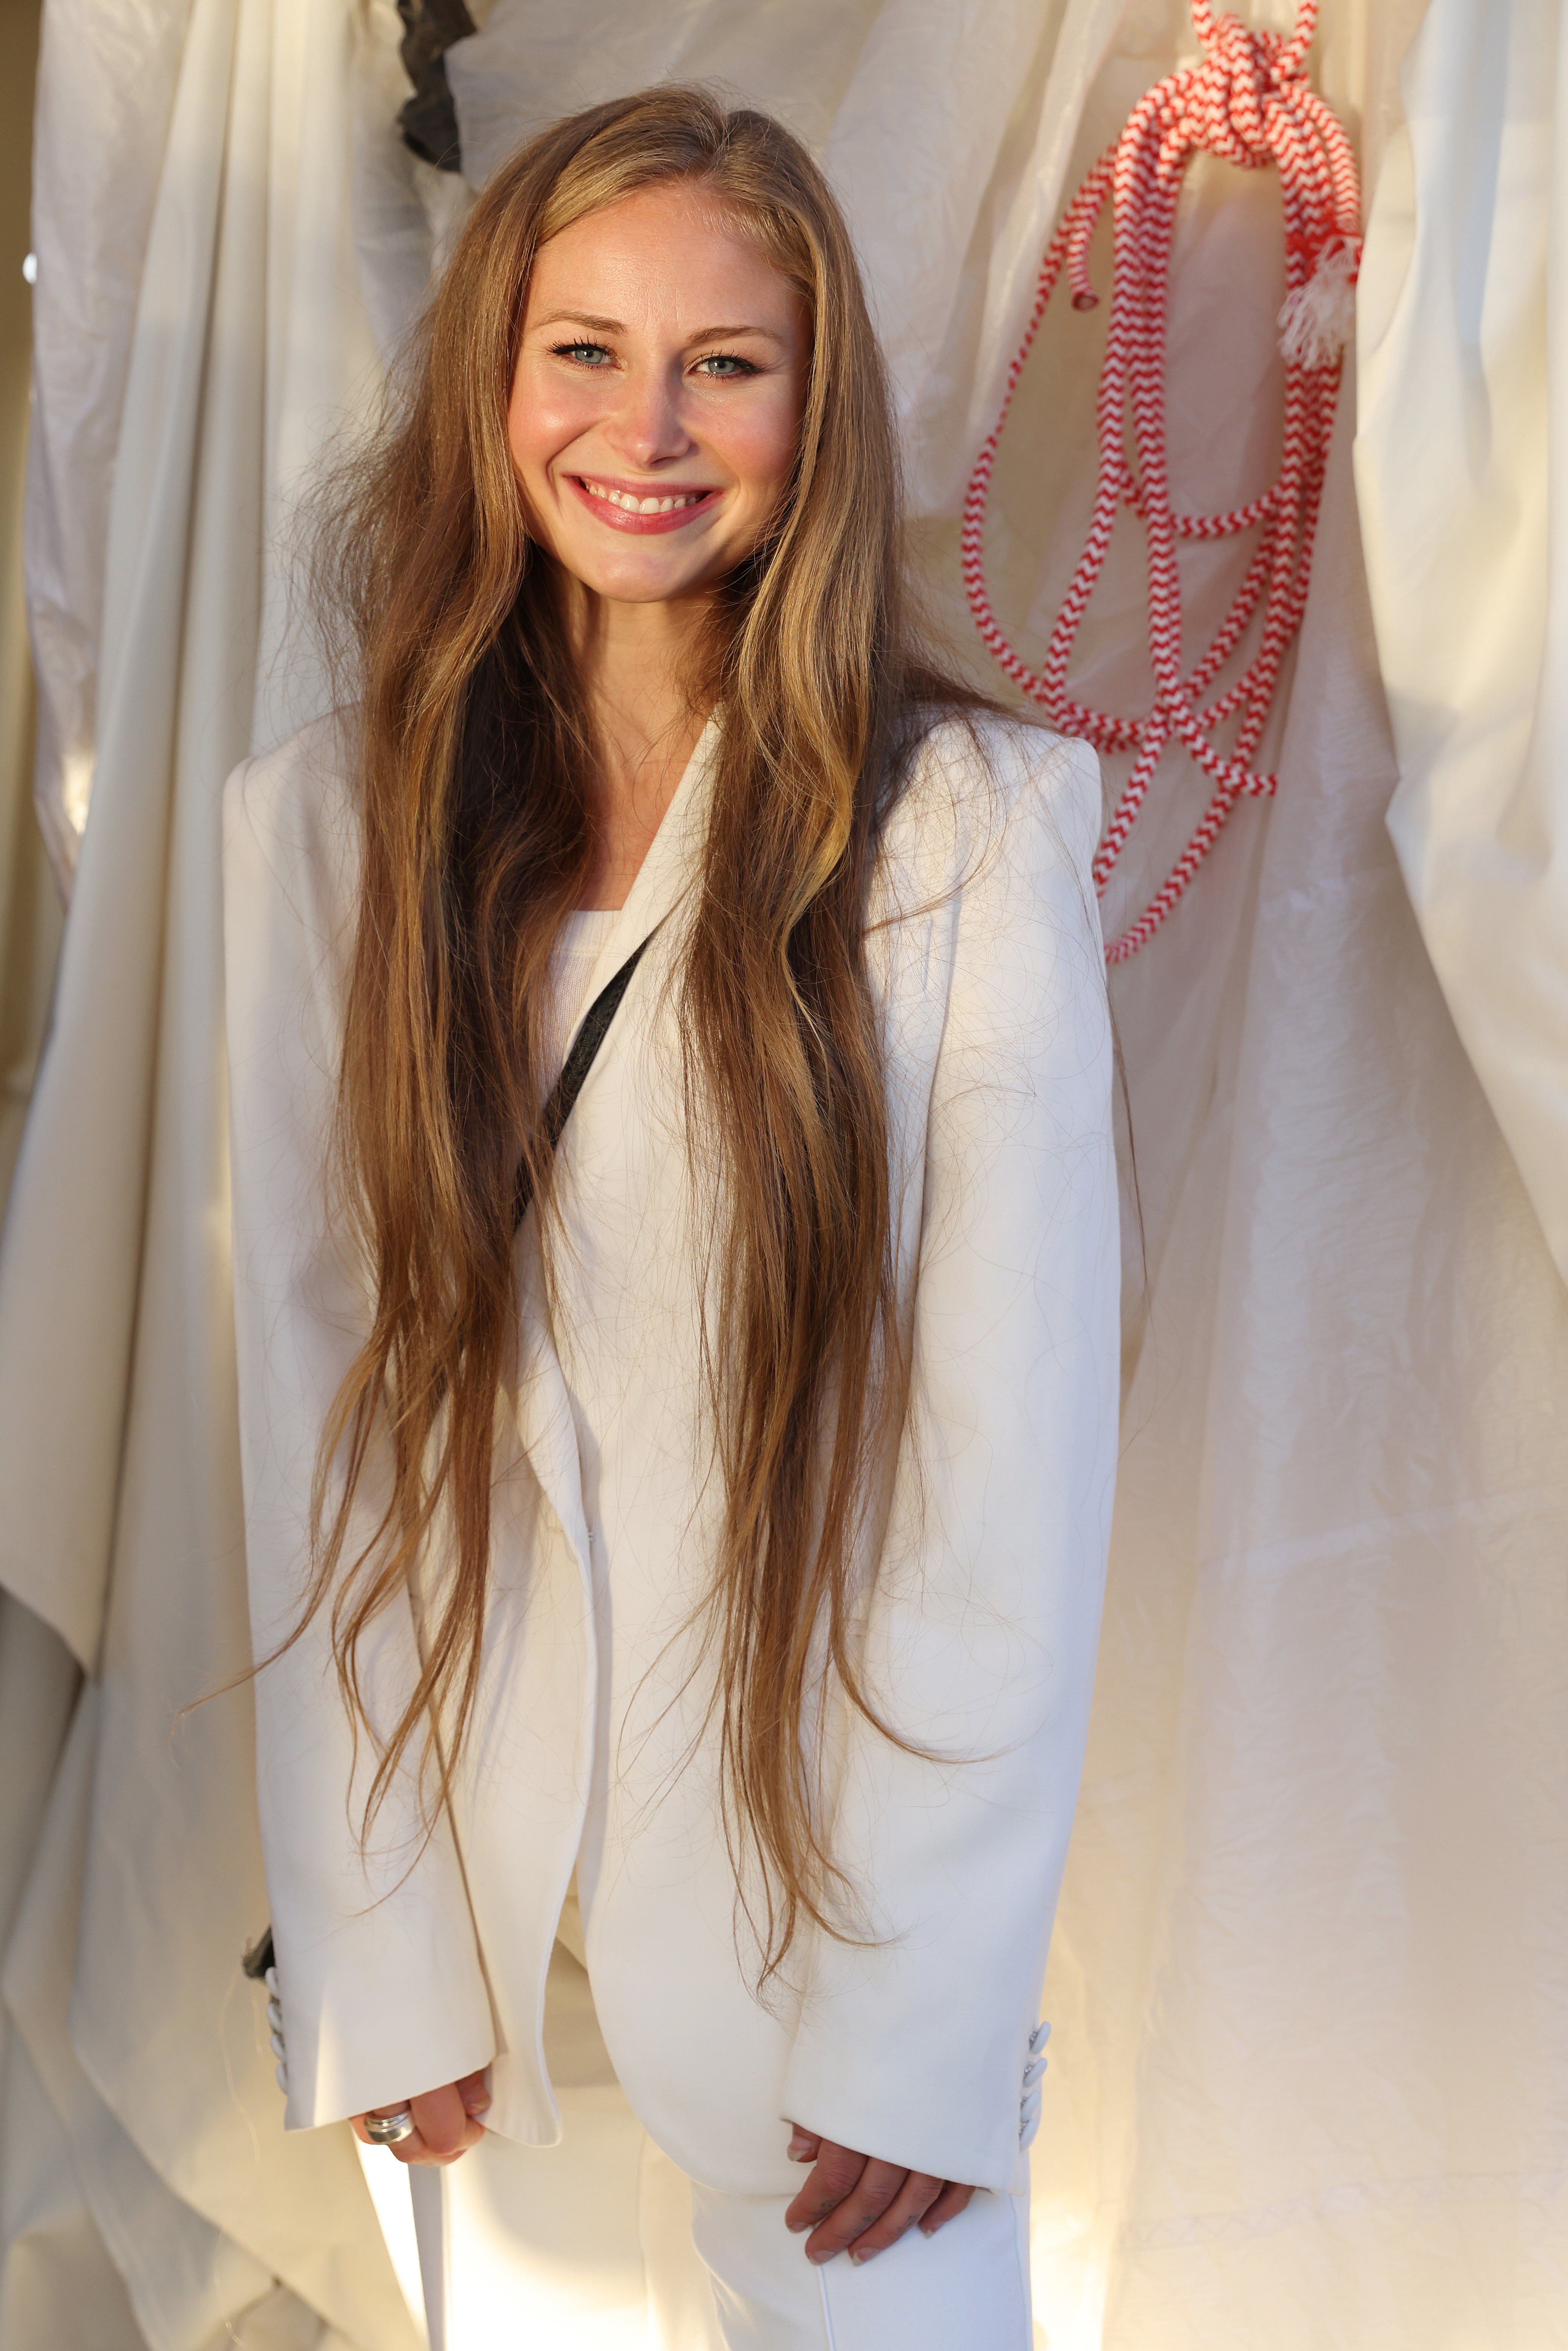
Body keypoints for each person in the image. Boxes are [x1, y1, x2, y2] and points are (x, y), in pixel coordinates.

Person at [223, 85, 1118, 2351]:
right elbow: (319, 1406)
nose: (650, 422)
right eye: (586, 348)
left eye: (729, 357)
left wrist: (927, 2008)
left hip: (821, 1948)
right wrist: (375, 1928)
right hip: (488, 1962)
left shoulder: (967, 833)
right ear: (494, 383)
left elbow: (1004, 1468)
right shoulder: (318, 826)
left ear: (817, 407)